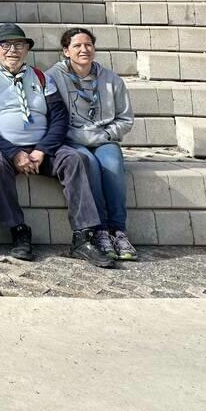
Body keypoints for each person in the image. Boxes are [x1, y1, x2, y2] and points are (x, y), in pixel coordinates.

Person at [0, 23, 115, 268]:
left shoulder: (41, 76)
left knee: (75, 158)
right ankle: (18, 230)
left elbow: (58, 117)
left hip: (41, 146)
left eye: (19, 45)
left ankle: (83, 236)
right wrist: (13, 152)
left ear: (26, 50)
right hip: (2, 148)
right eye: (6, 45)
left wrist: (41, 150)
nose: (12, 50)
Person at [47, 27, 137, 261]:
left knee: (112, 164)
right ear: (66, 51)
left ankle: (118, 230)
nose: (83, 49)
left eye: (88, 45)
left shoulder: (111, 79)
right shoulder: (53, 77)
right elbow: (51, 117)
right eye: (76, 46)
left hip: (103, 138)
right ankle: (100, 231)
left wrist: (105, 135)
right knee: (88, 164)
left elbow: (125, 119)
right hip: (71, 140)